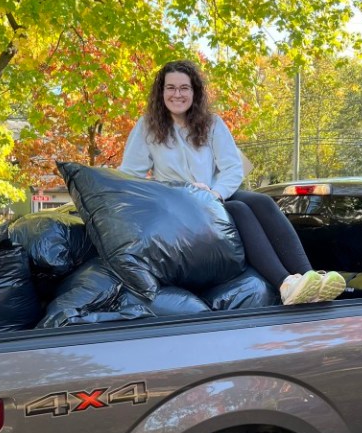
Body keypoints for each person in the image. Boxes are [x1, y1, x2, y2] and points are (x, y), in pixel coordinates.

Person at [120, 59, 345, 304]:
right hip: (179, 202)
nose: (177, 94)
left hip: (215, 194)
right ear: (161, 92)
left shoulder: (212, 123)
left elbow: (232, 168)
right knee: (238, 210)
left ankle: (311, 278)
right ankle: (285, 283)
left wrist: (215, 194)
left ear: (194, 92)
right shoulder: (148, 127)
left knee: (261, 201)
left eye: (184, 88)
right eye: (170, 87)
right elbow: (131, 175)